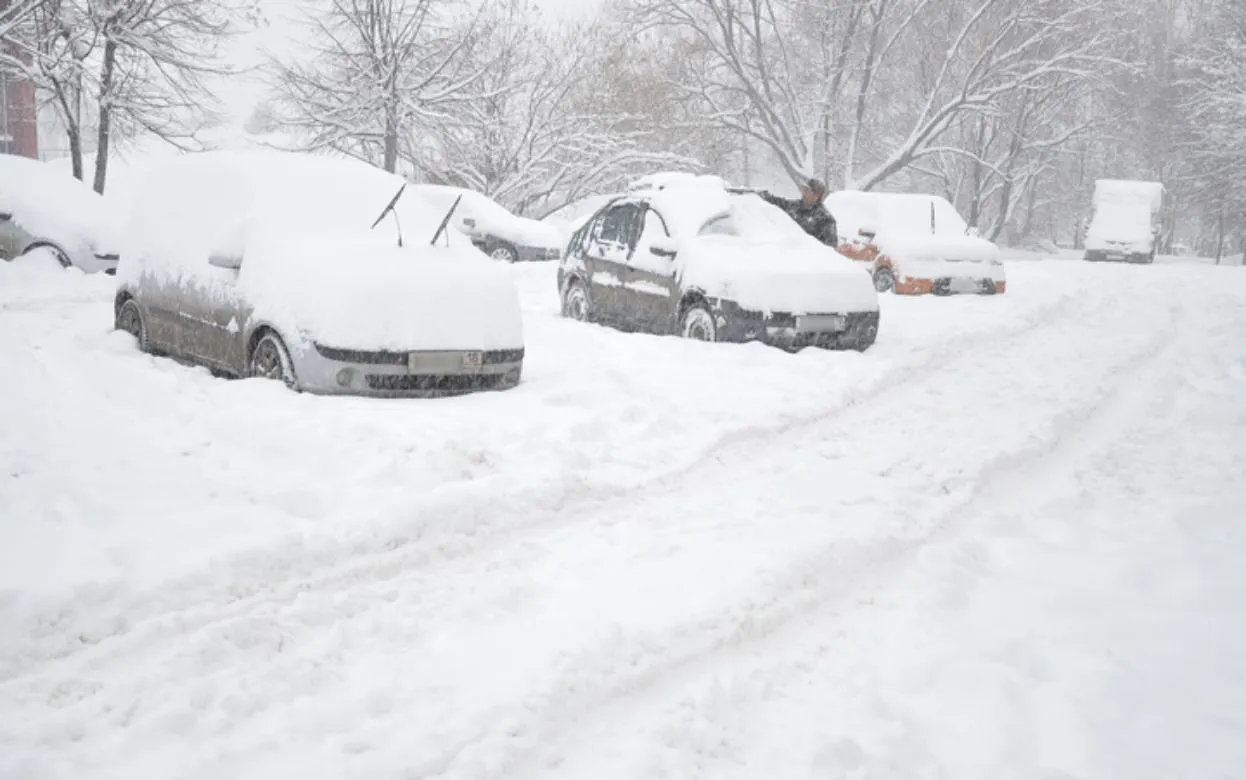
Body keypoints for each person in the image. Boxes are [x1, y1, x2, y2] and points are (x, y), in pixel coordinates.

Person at [736, 178, 839, 247]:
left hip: (808, 264)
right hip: (789, 254)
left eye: (807, 190)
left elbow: (829, 251)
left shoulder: (826, 219)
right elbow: (778, 202)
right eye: (803, 189)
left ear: (816, 195)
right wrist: (761, 195)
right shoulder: (795, 206)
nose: (803, 193)